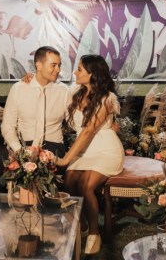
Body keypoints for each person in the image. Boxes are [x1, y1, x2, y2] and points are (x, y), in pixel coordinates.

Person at [0, 46, 70, 200]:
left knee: (39, 169)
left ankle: (43, 212)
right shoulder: (19, 89)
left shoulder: (63, 91)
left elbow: (75, 121)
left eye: (59, 65)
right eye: (53, 65)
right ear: (39, 65)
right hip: (22, 145)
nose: (58, 70)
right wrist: (19, 150)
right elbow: (8, 126)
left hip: (52, 145)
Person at [56, 54, 124, 255]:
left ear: (92, 74)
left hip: (105, 149)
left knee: (86, 185)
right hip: (85, 150)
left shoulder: (107, 99)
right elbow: (52, 89)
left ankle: (95, 233)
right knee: (69, 181)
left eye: (79, 70)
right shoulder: (76, 92)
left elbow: (88, 131)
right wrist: (29, 77)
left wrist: (66, 159)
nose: (75, 73)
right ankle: (83, 225)